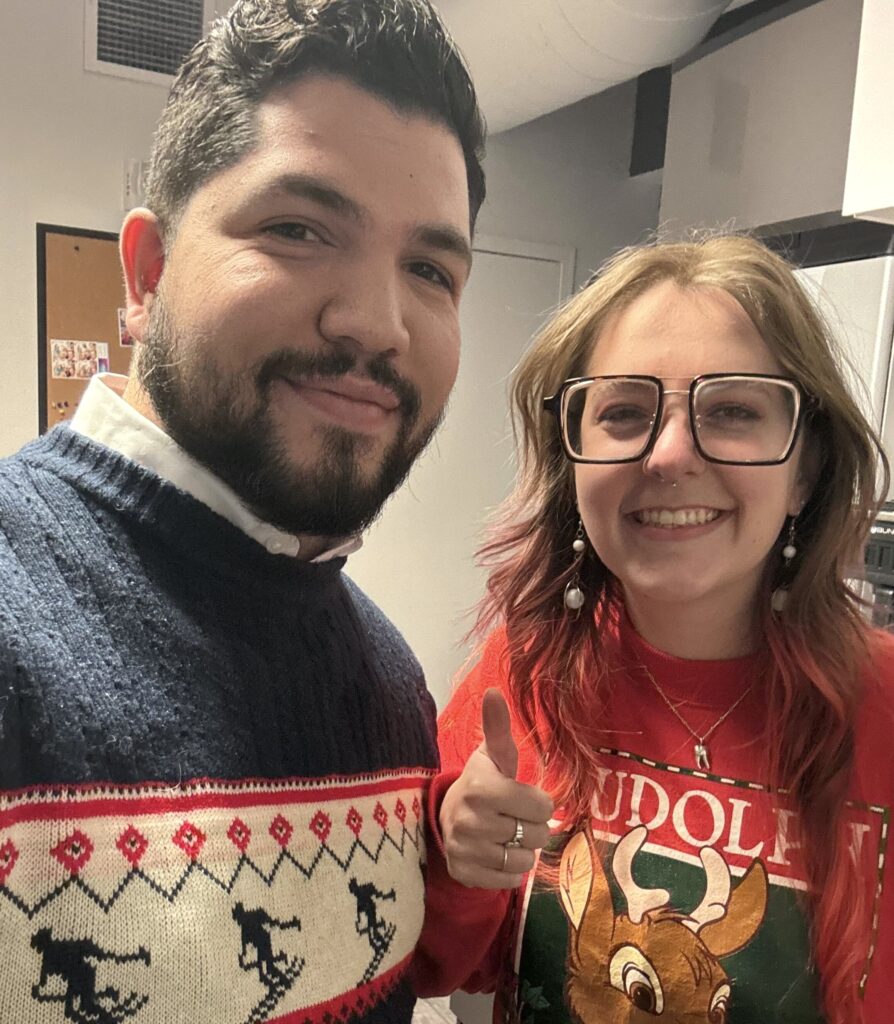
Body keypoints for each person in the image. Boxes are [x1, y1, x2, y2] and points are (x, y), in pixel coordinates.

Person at [0, 2, 484, 1022]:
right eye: (299, 229)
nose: (377, 323)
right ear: (146, 275)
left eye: (431, 270)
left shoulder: (392, 687)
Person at [411, 236, 894, 1023]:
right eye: (625, 412)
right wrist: (458, 860)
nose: (669, 455)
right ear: (576, 464)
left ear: (804, 469)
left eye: (733, 410)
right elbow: (438, 964)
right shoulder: (521, 673)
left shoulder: (885, 711)